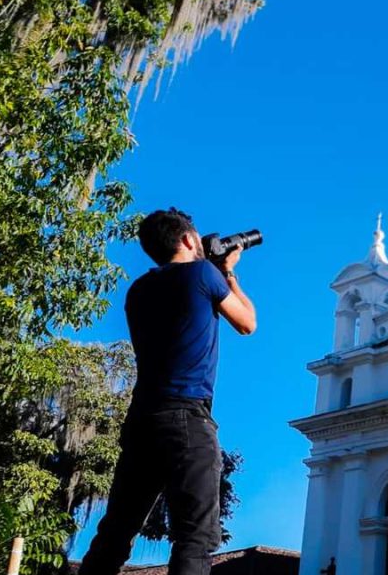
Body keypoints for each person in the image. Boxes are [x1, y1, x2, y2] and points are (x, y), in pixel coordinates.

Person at [79, 208, 256, 575]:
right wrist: (228, 270)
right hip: (186, 417)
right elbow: (247, 322)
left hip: (142, 419)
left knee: (115, 533)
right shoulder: (204, 274)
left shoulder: (138, 290)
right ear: (188, 239)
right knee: (196, 535)